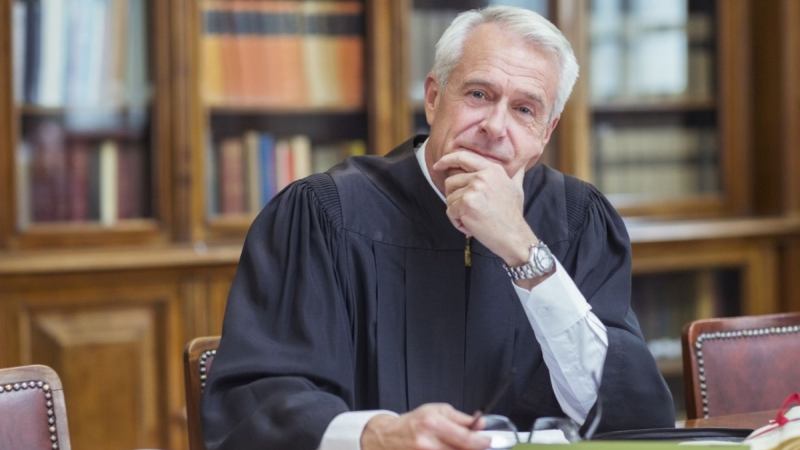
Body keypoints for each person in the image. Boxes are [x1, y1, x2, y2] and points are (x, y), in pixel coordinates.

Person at [202, 6, 675, 450]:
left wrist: (521, 247)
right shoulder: (325, 215)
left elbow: (632, 417)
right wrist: (377, 434)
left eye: (524, 109)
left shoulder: (579, 220)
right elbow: (255, 404)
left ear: (545, 133)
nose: (495, 126)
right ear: (433, 98)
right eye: (478, 94)